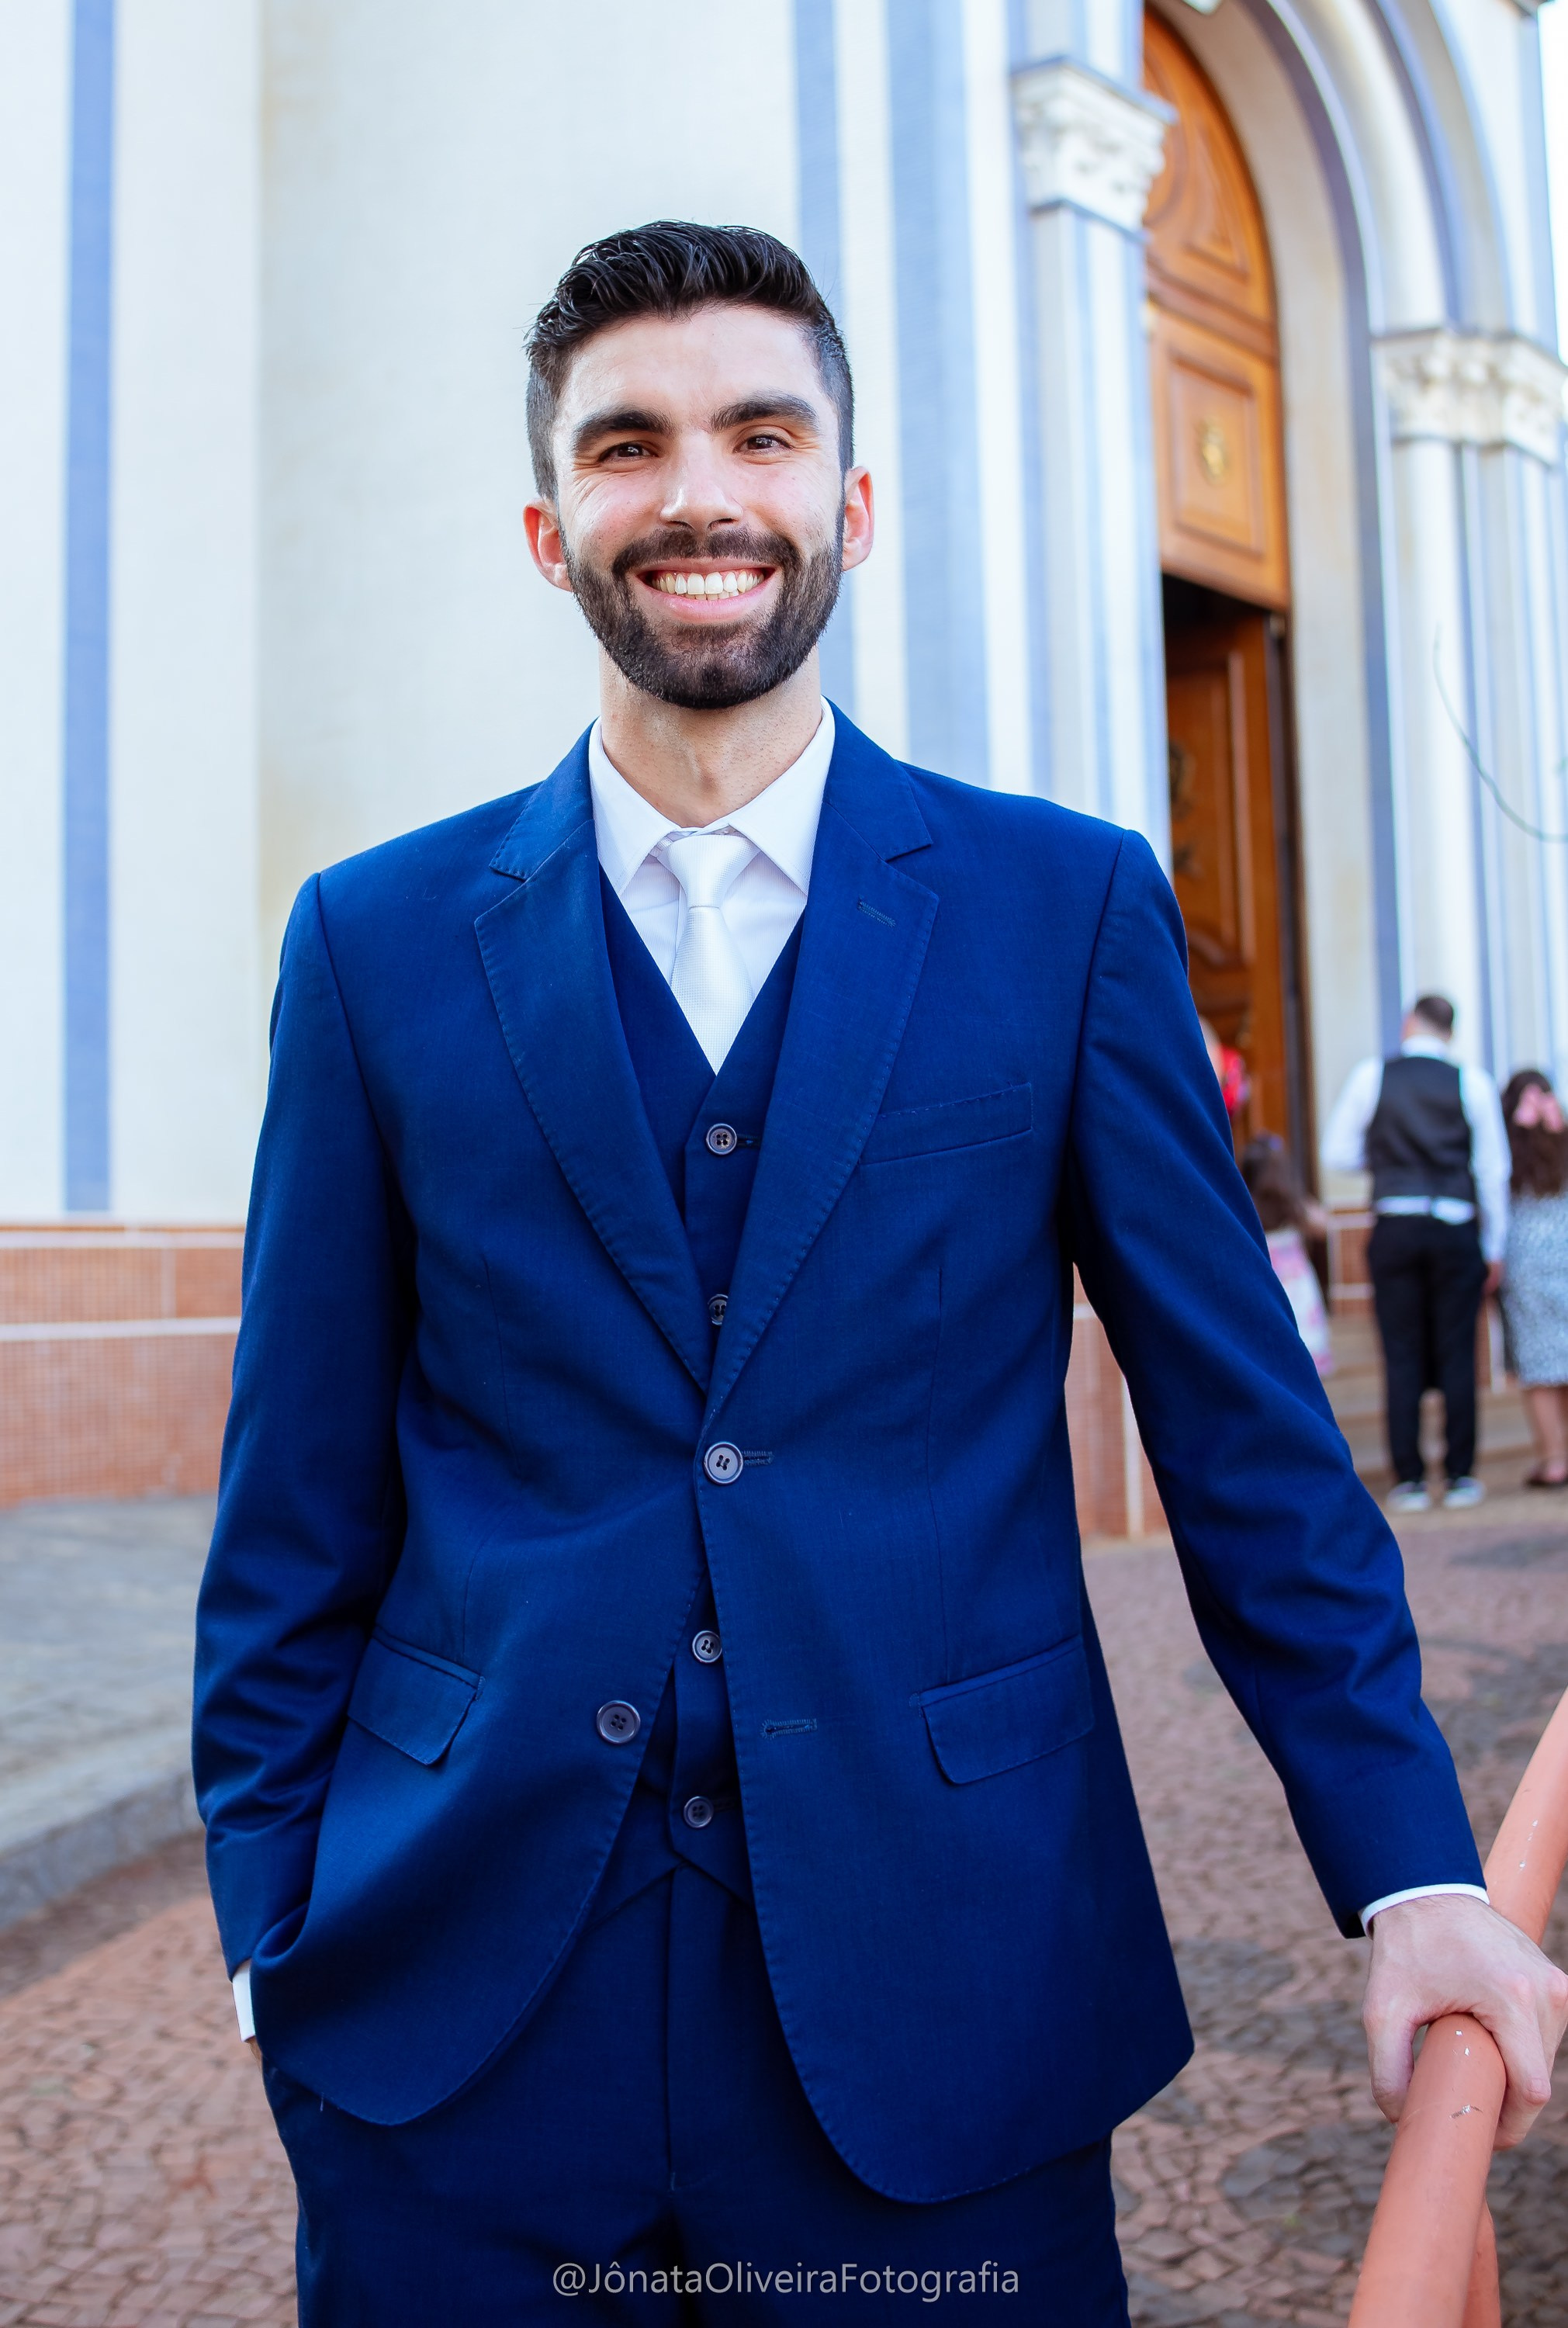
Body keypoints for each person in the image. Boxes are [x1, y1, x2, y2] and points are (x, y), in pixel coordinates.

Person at [193, 224, 1566, 2326]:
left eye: (760, 431)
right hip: (451, 2025)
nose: (698, 494)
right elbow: (293, 1504)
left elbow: (1248, 1450)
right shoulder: (372, 945)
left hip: (951, 1996)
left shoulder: (1062, 908)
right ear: (551, 522)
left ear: (847, 503)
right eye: (629, 444)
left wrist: (1412, 1870)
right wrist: (265, 1928)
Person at [1321, 994, 1509, 1514]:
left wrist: (1383, 1161)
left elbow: (1335, 1150)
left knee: (1399, 1350)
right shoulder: (1470, 1081)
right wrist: (1494, 1246)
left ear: (1409, 1024)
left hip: (1396, 1222)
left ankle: (1406, 1478)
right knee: (1456, 1350)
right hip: (1454, 1224)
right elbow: (1492, 1169)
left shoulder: (1372, 1075)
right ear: (1449, 1030)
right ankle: (1459, 1476)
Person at [1500, 1070, 1568, 1488]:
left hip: (1525, 1260)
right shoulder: (1564, 1137)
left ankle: (1553, 1459)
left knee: (1539, 1367)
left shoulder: (1506, 1143)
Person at [1239, 1135, 1333, 1377]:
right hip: (1296, 1286)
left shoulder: (1244, 1207)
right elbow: (1322, 1226)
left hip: (1264, 1283)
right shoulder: (1294, 1205)